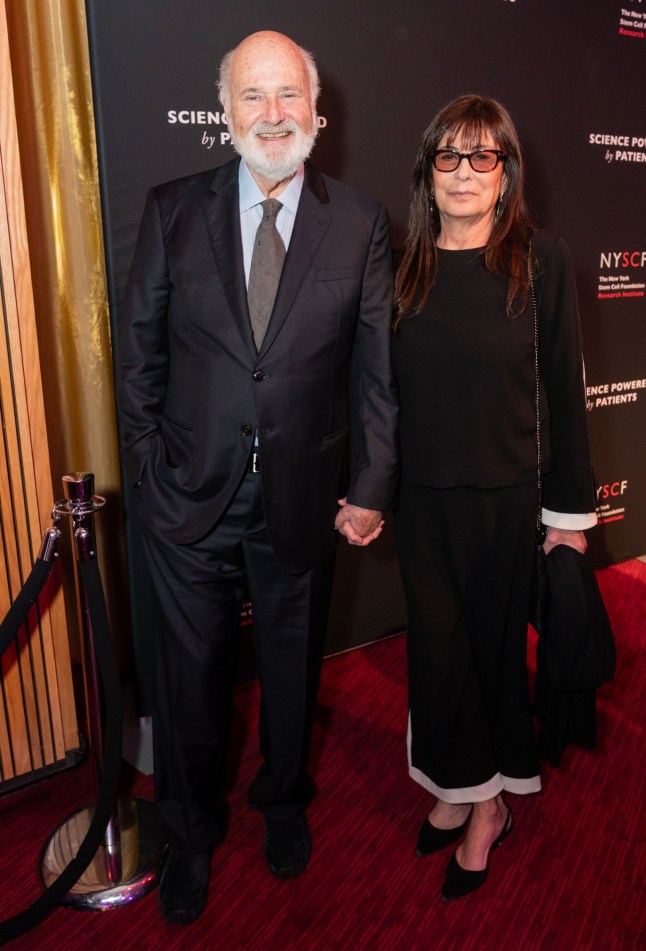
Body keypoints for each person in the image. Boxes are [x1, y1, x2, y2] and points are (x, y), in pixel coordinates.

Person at [117, 31, 397, 924]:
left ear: (317, 111)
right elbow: (139, 364)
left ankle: (283, 802)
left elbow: (377, 373)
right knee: (189, 684)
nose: (272, 115)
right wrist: (152, 479)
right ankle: (191, 834)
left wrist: (372, 482)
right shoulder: (170, 211)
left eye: (288, 97)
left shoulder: (360, 222)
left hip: (302, 499)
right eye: (253, 97)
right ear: (226, 111)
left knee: (290, 672)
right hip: (187, 502)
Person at [391, 94, 596, 902]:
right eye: (450, 156)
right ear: (428, 172)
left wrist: (568, 523)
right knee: (437, 657)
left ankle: (489, 809)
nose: (466, 173)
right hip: (424, 504)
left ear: (508, 171)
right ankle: (457, 780)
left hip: (509, 502)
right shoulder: (404, 265)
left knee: (491, 656)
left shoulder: (542, 262)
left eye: (485, 157)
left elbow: (566, 400)